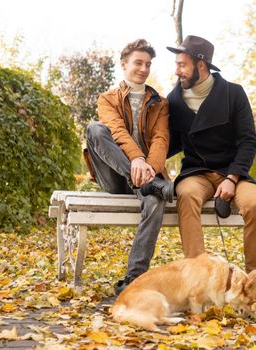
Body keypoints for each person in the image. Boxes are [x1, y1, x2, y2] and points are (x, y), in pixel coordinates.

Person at [166, 35, 256, 299]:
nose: (177, 70)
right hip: (195, 172)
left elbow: (248, 141)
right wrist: (140, 159)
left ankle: (254, 278)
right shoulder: (174, 100)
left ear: (201, 65)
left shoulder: (233, 93)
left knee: (253, 205)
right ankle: (199, 280)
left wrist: (232, 177)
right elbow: (170, 143)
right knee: (186, 195)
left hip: (233, 171)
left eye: (182, 64)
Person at [85, 39, 173, 295]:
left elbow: (161, 139)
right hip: (115, 175)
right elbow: (117, 132)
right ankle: (150, 184)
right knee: (95, 129)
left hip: (146, 177)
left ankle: (134, 281)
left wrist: (149, 168)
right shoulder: (107, 99)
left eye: (148, 64)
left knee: (156, 201)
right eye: (138, 63)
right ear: (124, 65)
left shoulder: (160, 103)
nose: (144, 68)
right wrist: (136, 160)